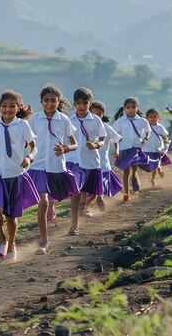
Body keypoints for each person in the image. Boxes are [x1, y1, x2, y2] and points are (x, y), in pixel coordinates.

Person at [0, 90, 40, 260]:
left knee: (11, 216)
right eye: (4, 106)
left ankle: (12, 243)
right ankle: (1, 240)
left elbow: (34, 147)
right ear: (0, 107)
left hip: (14, 174)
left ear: (18, 107)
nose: (8, 109)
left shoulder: (23, 125)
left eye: (12, 106)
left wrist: (29, 157)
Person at [27, 84, 78, 254]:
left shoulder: (64, 120)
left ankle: (62, 214)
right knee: (43, 201)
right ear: (41, 102)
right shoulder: (34, 119)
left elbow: (74, 144)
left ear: (58, 102)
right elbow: (25, 140)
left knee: (61, 196)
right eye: (46, 100)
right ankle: (44, 241)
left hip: (57, 167)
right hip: (38, 166)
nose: (49, 104)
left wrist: (66, 149)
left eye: (53, 101)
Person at [67, 88, 106, 234]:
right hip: (73, 161)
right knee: (75, 191)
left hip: (90, 162)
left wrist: (95, 145)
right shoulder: (68, 119)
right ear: (74, 104)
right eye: (79, 103)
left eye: (85, 103)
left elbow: (102, 139)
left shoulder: (96, 120)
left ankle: (87, 206)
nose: (82, 106)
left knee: (86, 193)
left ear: (90, 103)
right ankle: (74, 226)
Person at [113, 97, 151, 202]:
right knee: (126, 171)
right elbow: (112, 133)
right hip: (124, 148)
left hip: (136, 147)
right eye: (128, 107)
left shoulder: (142, 121)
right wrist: (117, 141)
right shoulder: (120, 121)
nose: (131, 110)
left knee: (133, 169)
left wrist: (146, 138)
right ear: (124, 109)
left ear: (137, 108)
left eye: (133, 107)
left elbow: (148, 130)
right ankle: (126, 192)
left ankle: (135, 178)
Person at [89, 101, 123, 201]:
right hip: (90, 164)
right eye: (93, 114)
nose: (96, 116)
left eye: (99, 114)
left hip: (103, 164)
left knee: (101, 189)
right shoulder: (85, 127)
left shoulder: (107, 128)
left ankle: (94, 203)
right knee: (92, 191)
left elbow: (116, 139)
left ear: (102, 114)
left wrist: (117, 150)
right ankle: (85, 206)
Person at [141, 108, 172, 186]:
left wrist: (166, 140)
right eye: (150, 117)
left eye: (154, 117)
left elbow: (165, 136)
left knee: (155, 164)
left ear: (158, 117)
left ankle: (153, 179)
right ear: (147, 118)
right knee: (150, 164)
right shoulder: (144, 126)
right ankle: (158, 170)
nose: (152, 119)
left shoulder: (159, 127)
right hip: (146, 149)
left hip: (157, 149)